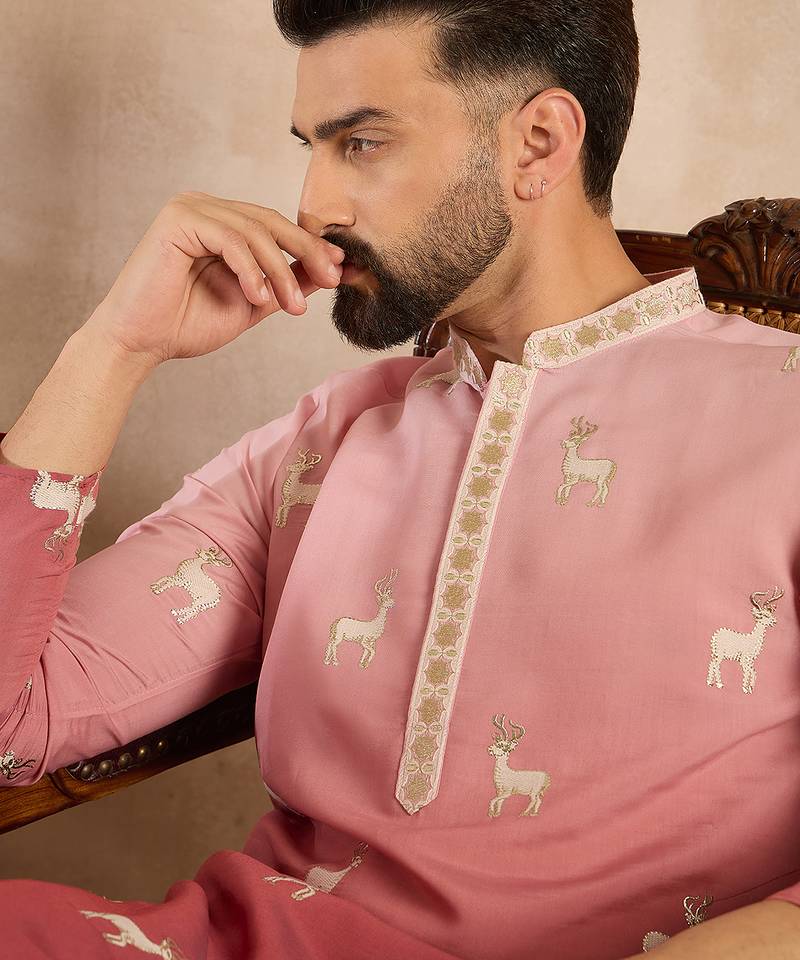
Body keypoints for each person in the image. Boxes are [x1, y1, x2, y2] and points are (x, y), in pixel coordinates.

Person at [1, 1, 799, 958]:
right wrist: (112, 349)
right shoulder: (321, 447)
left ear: (538, 145)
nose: (314, 208)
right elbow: (13, 719)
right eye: (312, 147)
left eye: (362, 143)